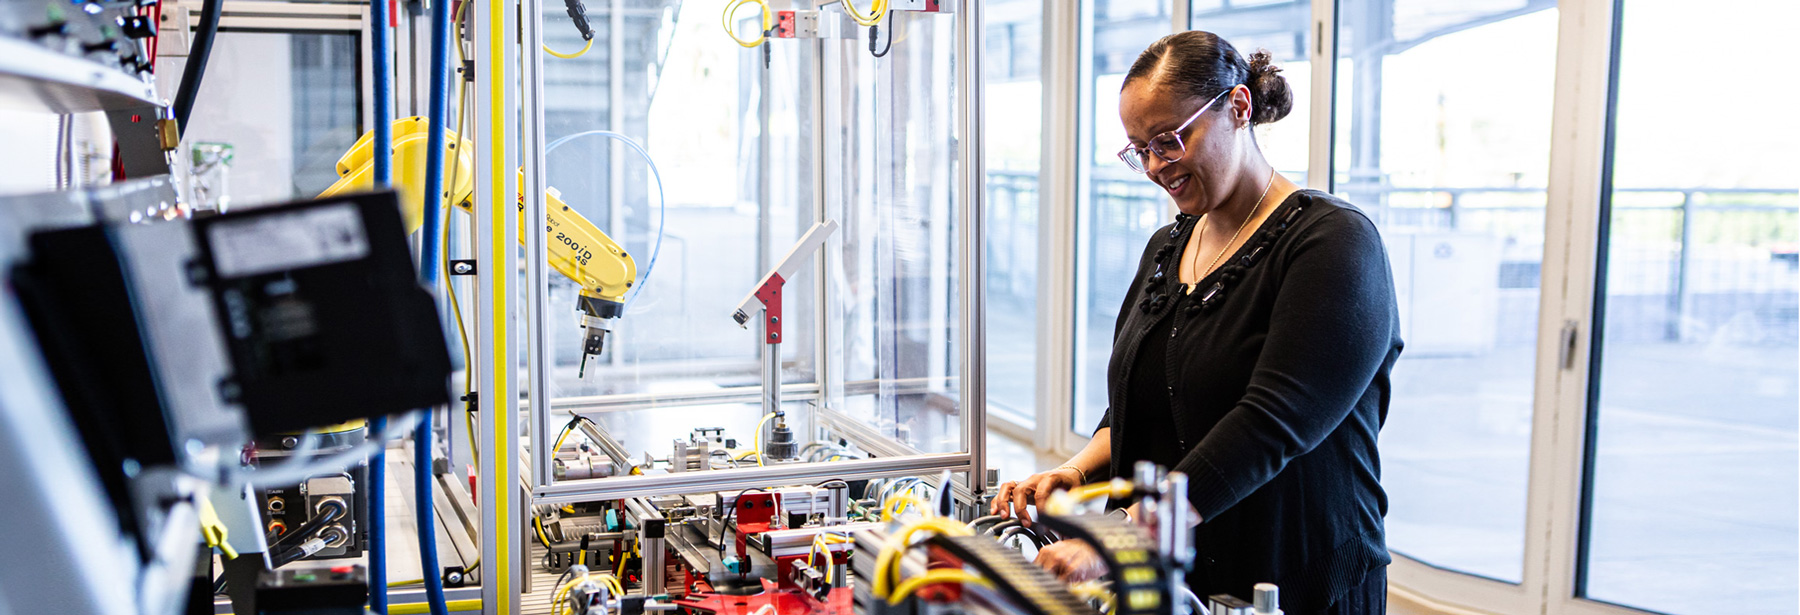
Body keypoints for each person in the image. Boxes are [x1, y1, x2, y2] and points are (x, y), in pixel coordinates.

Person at [988, 31, 1402, 615]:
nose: (1156, 166)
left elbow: (1272, 422)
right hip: (1170, 576)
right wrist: (1074, 471)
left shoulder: (1334, 243)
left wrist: (1121, 536)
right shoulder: (1167, 246)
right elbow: (1141, 398)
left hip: (1293, 575)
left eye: (1170, 140)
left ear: (1237, 107)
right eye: (1140, 149)